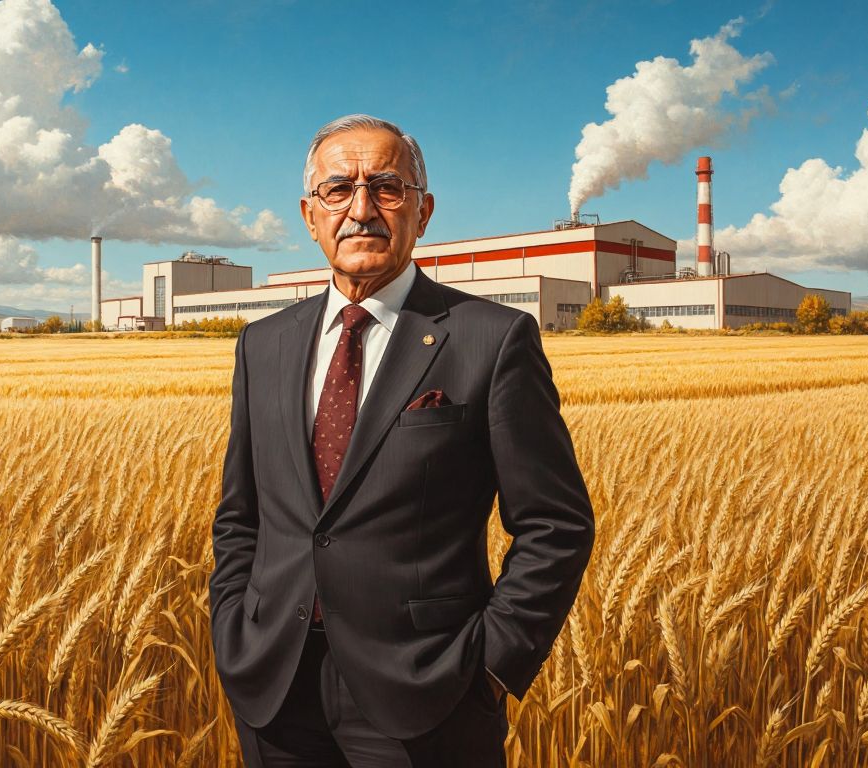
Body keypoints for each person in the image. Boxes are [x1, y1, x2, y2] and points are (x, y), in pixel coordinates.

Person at [209, 114, 594, 767]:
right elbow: (242, 515)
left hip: (427, 696)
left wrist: (491, 665)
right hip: (273, 686)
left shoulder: (490, 340)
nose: (361, 209)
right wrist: (233, 631)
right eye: (338, 190)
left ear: (424, 210)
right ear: (310, 215)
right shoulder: (263, 345)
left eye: (386, 188)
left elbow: (556, 524)